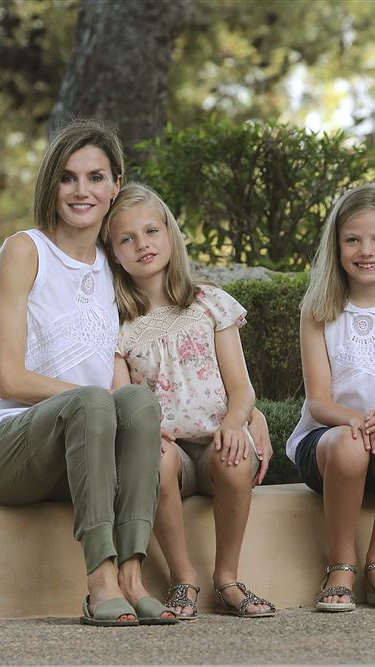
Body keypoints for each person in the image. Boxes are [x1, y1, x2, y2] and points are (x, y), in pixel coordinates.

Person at [0, 120, 176, 627]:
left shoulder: (113, 264)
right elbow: (9, 379)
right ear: (51, 185)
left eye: (95, 177)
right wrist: (95, 402)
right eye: (68, 177)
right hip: (6, 447)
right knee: (96, 400)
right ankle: (99, 582)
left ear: (115, 185)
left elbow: (171, 329)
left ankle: (132, 578)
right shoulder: (25, 250)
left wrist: (246, 411)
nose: (82, 191)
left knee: (138, 402)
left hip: (86, 452)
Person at [106, 183, 276, 619]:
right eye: (127, 239)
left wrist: (236, 421)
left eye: (151, 231)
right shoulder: (118, 327)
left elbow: (242, 388)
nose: (142, 244)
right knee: (155, 457)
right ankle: (183, 579)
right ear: (113, 253)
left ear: (170, 234)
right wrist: (144, 432)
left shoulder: (209, 304)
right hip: (172, 452)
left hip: (218, 438)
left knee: (235, 456)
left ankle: (228, 579)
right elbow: (122, 398)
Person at [285, 183, 375, 612]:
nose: (366, 251)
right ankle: (340, 566)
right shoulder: (318, 310)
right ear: (336, 246)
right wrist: (356, 422)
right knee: (351, 445)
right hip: (327, 445)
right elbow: (318, 402)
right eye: (352, 240)